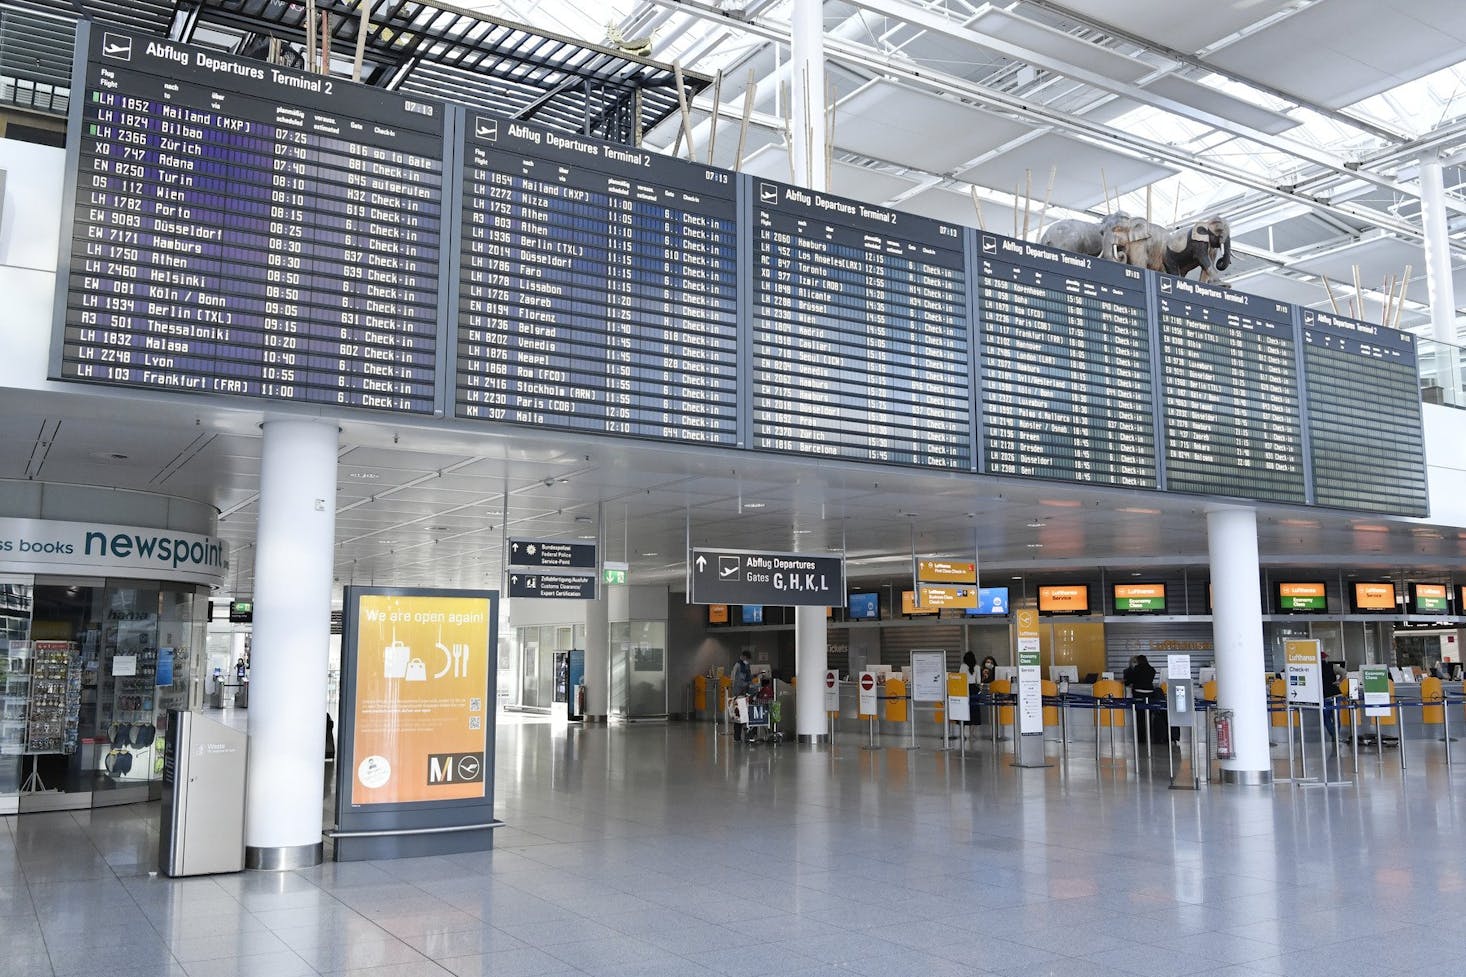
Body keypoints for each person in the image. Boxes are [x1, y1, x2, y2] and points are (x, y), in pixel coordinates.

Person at [1125, 654, 1168, 746]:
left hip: (1138, 694)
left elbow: (1129, 681)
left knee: (1139, 717)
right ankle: (1149, 735)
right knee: (1148, 716)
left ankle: (1140, 738)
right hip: (1149, 694)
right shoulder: (1152, 670)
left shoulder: (1136, 669)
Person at [730, 651, 753, 741]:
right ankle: (738, 736)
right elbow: (738, 681)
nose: (747, 661)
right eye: (746, 659)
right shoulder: (738, 666)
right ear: (742, 657)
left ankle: (742, 736)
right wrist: (747, 684)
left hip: (743, 693)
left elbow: (748, 677)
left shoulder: (745, 666)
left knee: (742, 715)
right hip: (739, 693)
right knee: (739, 715)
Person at [1320, 652, 1342, 742]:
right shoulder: (1332, 666)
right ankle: (1336, 736)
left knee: (1326, 718)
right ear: (1325, 658)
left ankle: (1334, 736)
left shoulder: (1314, 668)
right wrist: (1339, 681)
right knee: (1336, 717)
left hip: (1325, 696)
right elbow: (1344, 672)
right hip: (1336, 693)